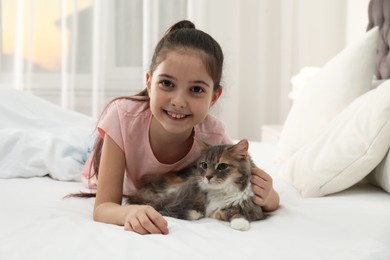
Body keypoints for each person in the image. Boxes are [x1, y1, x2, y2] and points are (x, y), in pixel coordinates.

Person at [81, 20, 279, 235]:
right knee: (77, 149)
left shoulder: (213, 134)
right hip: (99, 159)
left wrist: (270, 198)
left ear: (214, 97)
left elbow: (247, 181)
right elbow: (103, 208)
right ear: (149, 83)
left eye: (196, 89)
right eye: (167, 84)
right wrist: (129, 212)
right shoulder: (123, 117)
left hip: (163, 188)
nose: (178, 101)